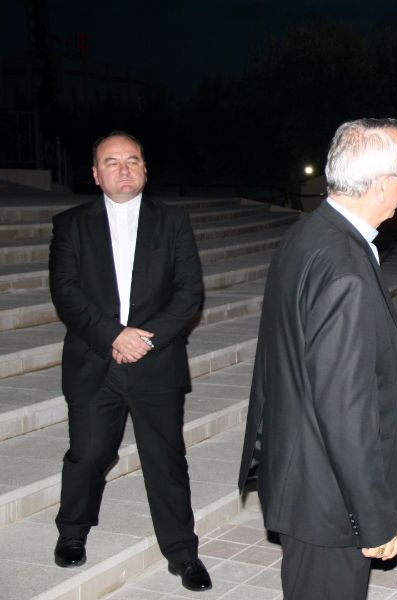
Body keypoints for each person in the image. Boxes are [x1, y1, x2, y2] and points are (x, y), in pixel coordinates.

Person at [237, 118, 397, 600]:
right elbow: (344, 409)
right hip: (329, 497)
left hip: (303, 475)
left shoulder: (310, 232)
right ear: (381, 184)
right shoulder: (345, 270)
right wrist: (374, 517)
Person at [49, 131, 210, 591]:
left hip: (156, 363)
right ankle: (72, 531)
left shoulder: (173, 222)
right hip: (93, 361)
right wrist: (113, 336)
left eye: (132, 161)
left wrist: (145, 340)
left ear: (145, 169)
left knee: (166, 460)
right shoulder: (70, 225)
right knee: (88, 454)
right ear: (95, 174)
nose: (124, 169)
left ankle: (183, 554)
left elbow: (189, 292)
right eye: (112, 162)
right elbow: (66, 292)